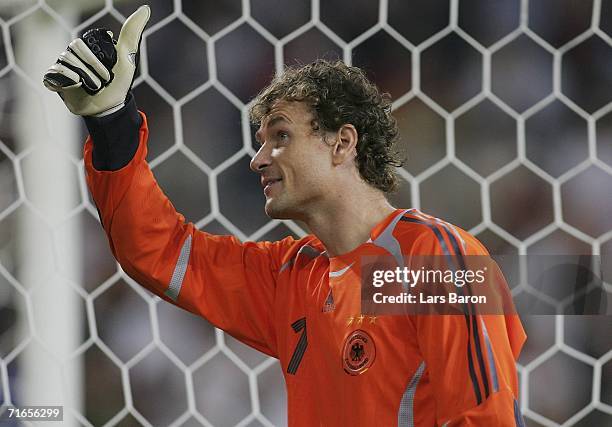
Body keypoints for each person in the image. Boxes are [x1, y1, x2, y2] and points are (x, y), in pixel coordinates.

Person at [44, 6, 527, 426]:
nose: (258, 159)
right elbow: (155, 249)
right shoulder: (293, 275)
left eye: (280, 136)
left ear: (342, 142)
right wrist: (112, 125)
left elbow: (486, 418)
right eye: (260, 143)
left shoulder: (433, 259)